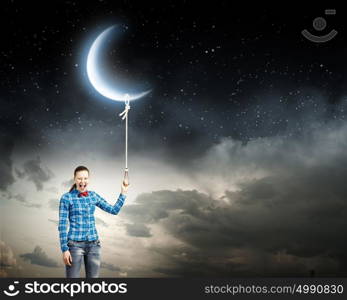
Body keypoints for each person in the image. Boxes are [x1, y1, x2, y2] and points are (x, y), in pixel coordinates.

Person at [58, 165, 129, 278]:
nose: (83, 181)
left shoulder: (93, 196)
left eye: (85, 178)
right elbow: (62, 225)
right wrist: (64, 249)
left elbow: (113, 210)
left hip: (94, 245)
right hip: (74, 246)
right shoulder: (66, 198)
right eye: (80, 178)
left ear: (89, 180)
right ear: (74, 179)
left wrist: (123, 193)